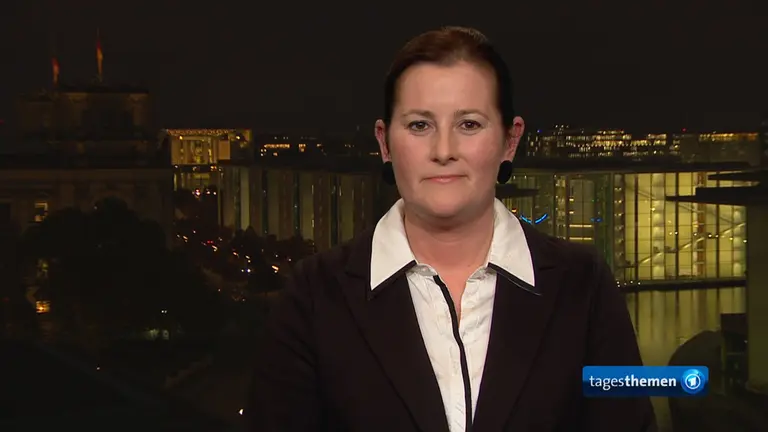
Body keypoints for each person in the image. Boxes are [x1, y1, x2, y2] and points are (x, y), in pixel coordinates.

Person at [246, 26, 656, 432]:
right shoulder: (314, 296)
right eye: (419, 126)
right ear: (384, 143)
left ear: (510, 141)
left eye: (469, 125)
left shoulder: (584, 285)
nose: (443, 151)